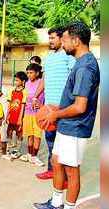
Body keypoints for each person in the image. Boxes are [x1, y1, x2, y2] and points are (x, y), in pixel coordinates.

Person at [33, 22, 100, 209]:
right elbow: (73, 99)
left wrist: (55, 114)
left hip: (76, 126)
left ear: (76, 40)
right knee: (56, 162)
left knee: (72, 170)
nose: (62, 43)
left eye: (64, 39)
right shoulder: (80, 62)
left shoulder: (86, 66)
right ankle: (56, 202)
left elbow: (80, 106)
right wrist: (56, 108)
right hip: (66, 123)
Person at [33, 26, 76, 180]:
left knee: (63, 143)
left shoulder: (69, 56)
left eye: (53, 38)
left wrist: (69, 102)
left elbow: (73, 79)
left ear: (61, 38)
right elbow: (45, 79)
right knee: (50, 139)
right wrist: (36, 96)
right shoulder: (49, 57)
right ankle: (52, 170)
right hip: (48, 107)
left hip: (63, 108)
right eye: (49, 38)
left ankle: (65, 174)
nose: (50, 41)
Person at [23, 63, 45, 167]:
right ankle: (29, 154)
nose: (29, 75)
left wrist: (42, 106)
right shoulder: (26, 83)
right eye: (27, 73)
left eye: (31, 73)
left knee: (37, 135)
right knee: (30, 134)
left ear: (37, 73)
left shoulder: (41, 82)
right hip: (28, 113)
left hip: (38, 114)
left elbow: (45, 98)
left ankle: (35, 156)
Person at [6, 71, 27, 157]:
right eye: (15, 80)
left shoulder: (25, 92)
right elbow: (9, 104)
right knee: (9, 131)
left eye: (17, 80)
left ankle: (17, 149)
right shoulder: (11, 91)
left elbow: (23, 106)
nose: (16, 82)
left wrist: (20, 118)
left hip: (19, 115)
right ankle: (9, 146)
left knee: (19, 133)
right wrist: (7, 115)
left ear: (23, 81)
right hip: (12, 115)